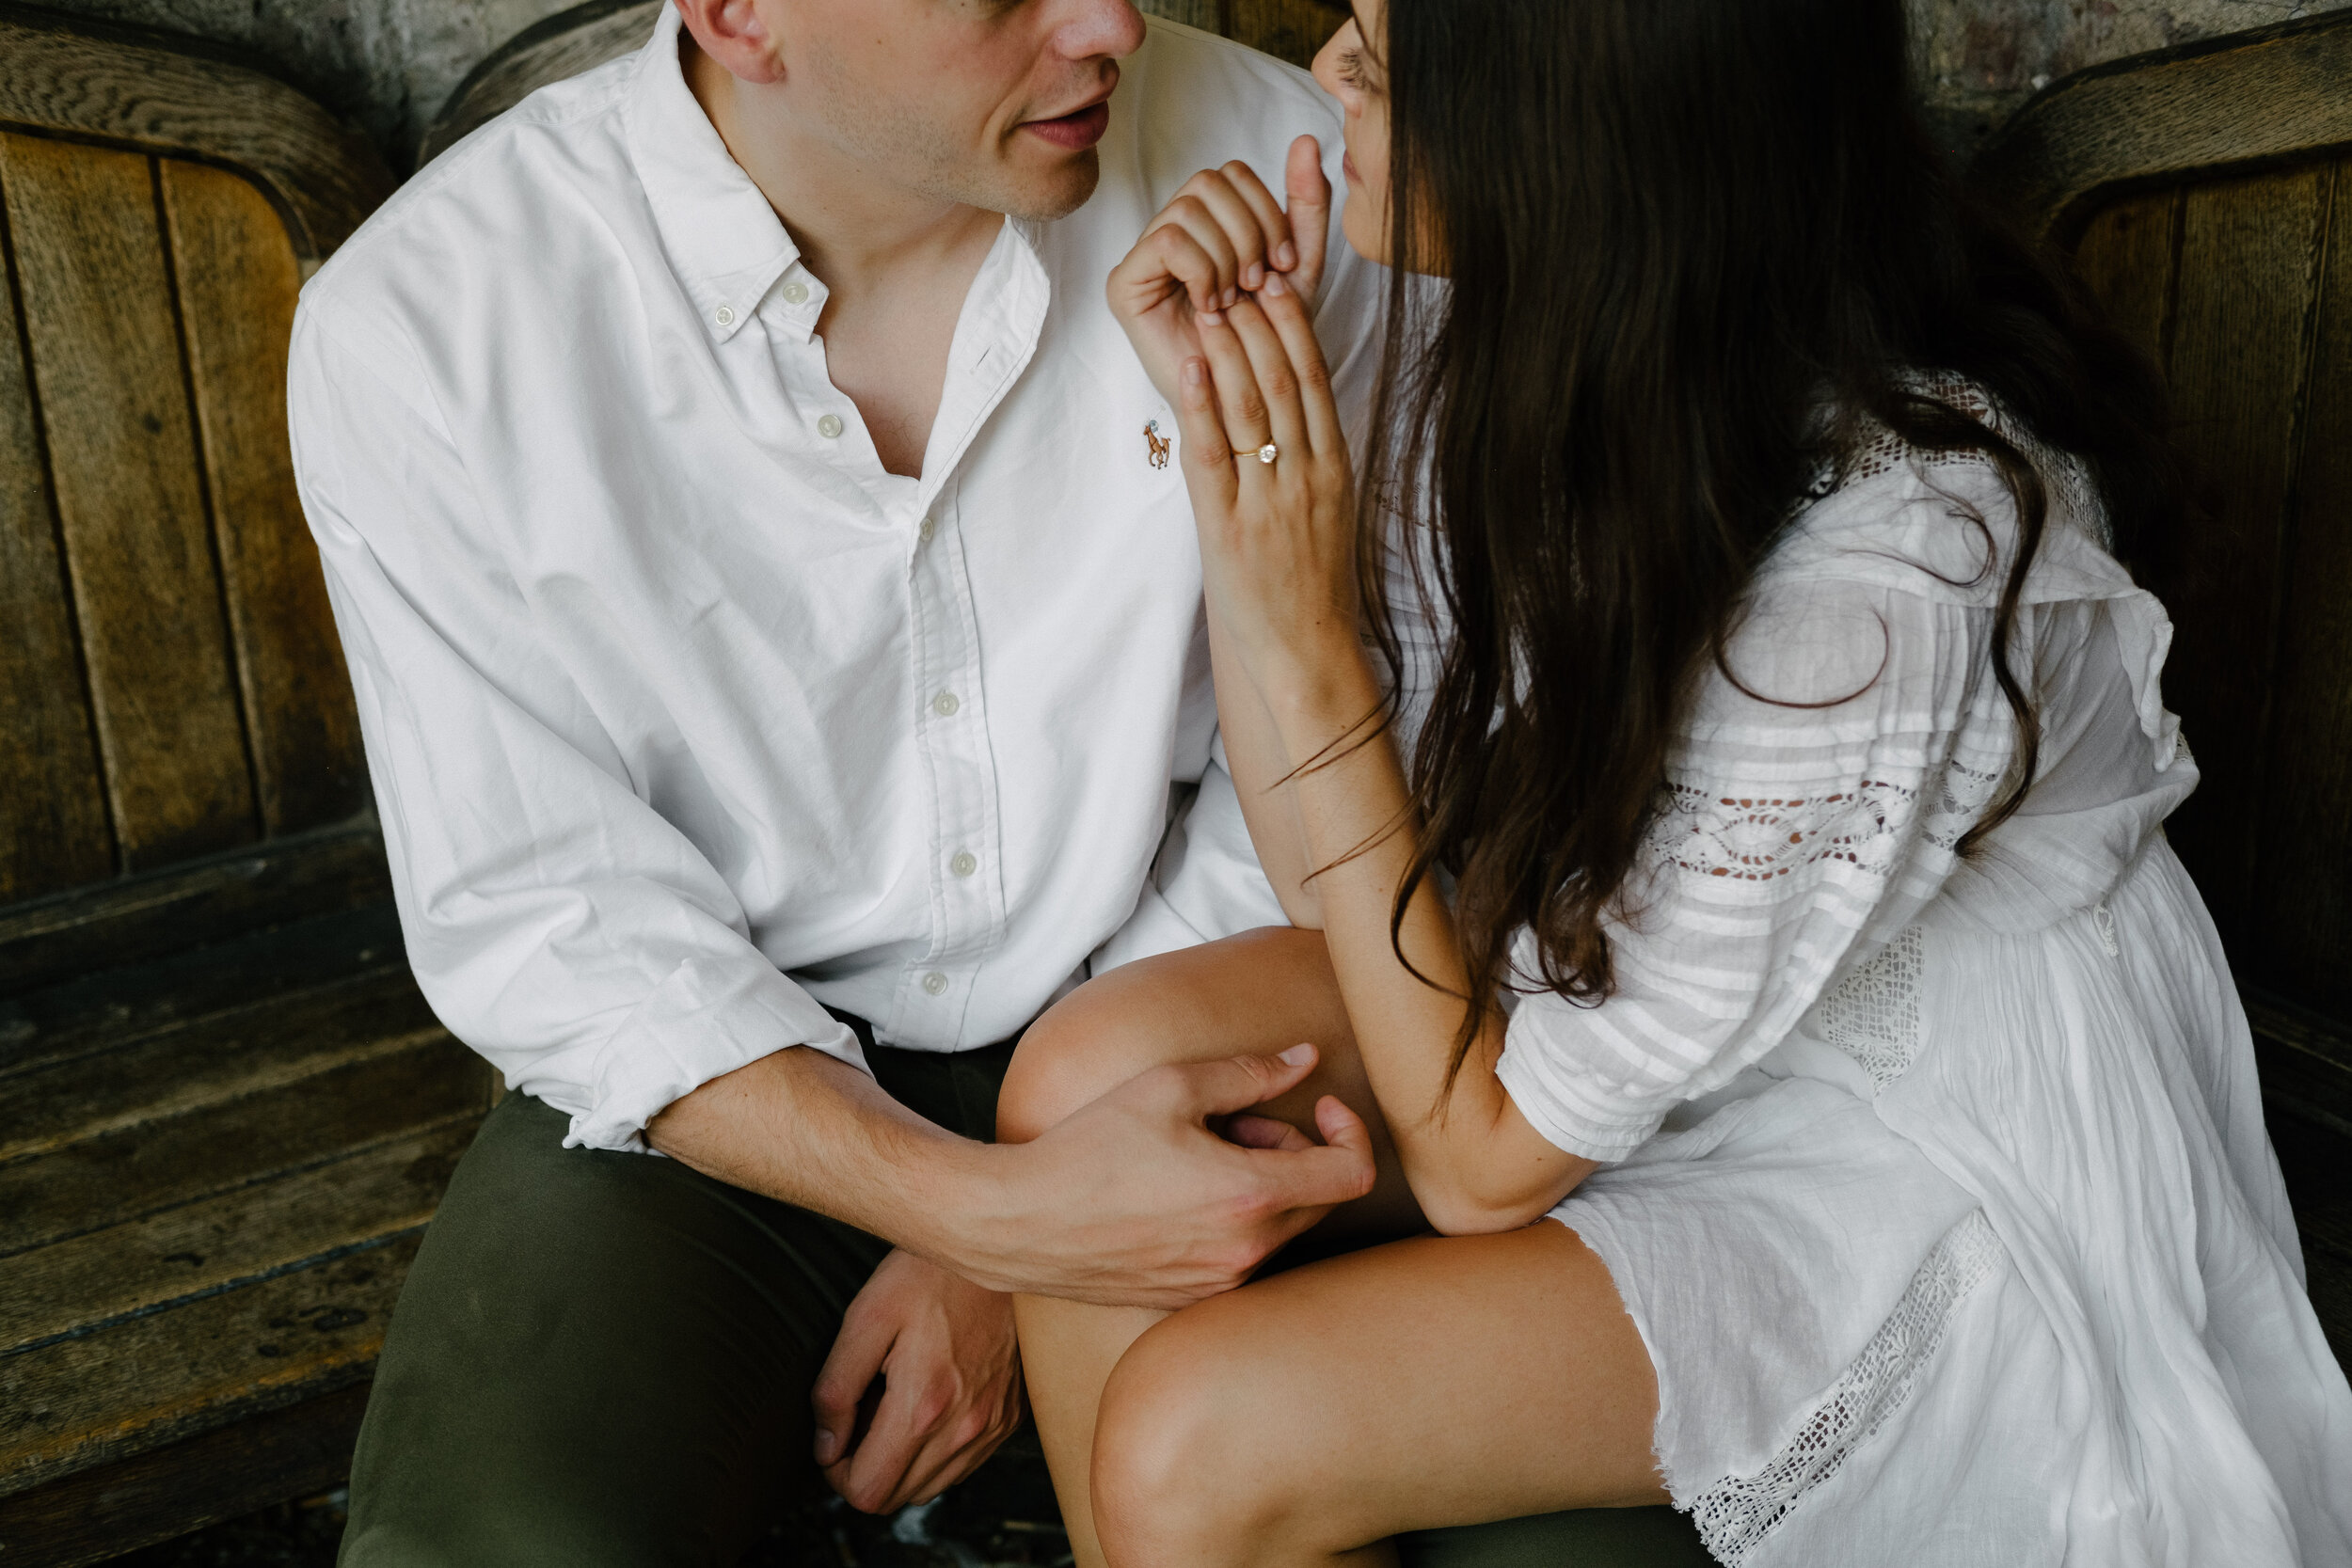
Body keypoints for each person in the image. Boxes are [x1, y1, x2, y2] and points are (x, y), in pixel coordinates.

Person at [998, 0, 2352, 1564]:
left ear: (1563, 139)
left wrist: (1307, 635)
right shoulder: (1521, 333)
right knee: (1089, 1082)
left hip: (1903, 1146)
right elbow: (1340, 887)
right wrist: (1240, 458)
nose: (1320, 79)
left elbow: (1483, 1166)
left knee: (1191, 1438)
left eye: (1374, 56)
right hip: (1606, 1022)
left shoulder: (1890, 579)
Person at [288, 1, 1408, 1560]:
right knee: (491, 1546)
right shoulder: (428, 326)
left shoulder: (1294, 165)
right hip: (729, 1091)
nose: (1108, 23)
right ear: (740, 16)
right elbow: (558, 914)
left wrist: (1030, 1238)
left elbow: (1370, 711)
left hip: (1216, 1003)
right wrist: (989, 1218)